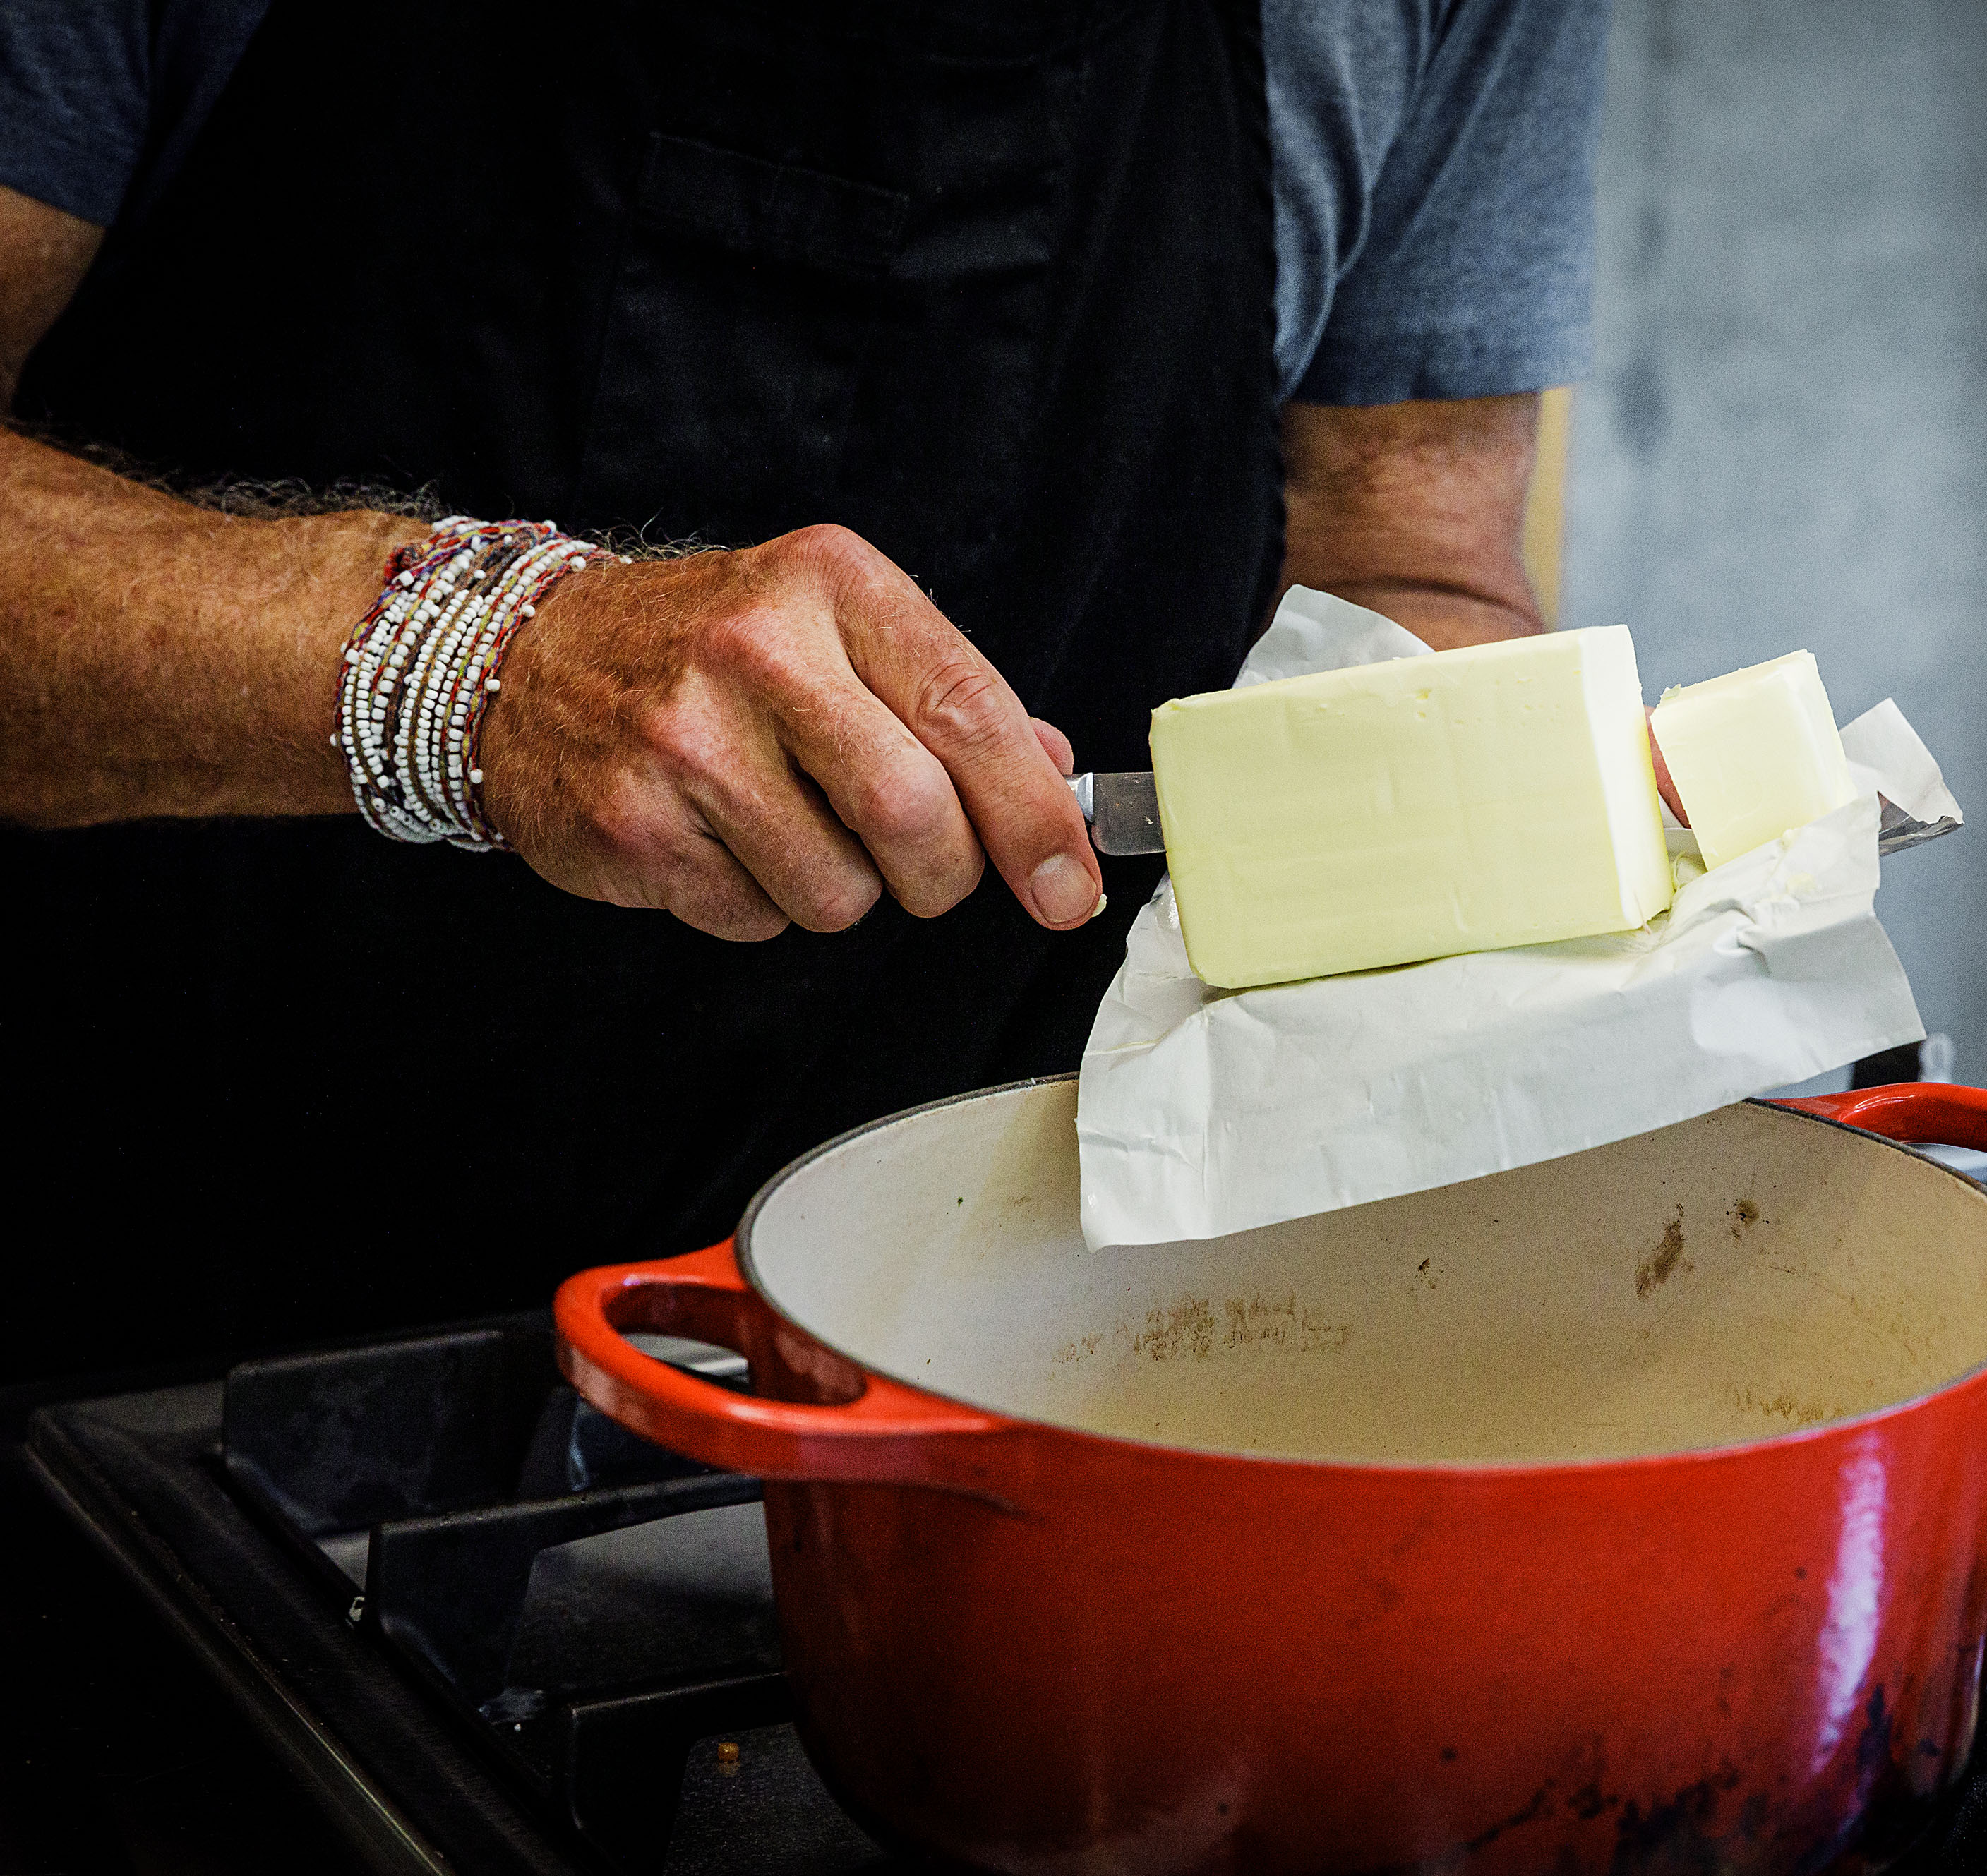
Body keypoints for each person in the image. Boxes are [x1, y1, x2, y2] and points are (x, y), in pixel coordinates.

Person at [0, 0, 1610, 1383]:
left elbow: (1410, 552)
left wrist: (1531, 903)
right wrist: (474, 670)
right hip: (140, 1350)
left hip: (997, 1384)